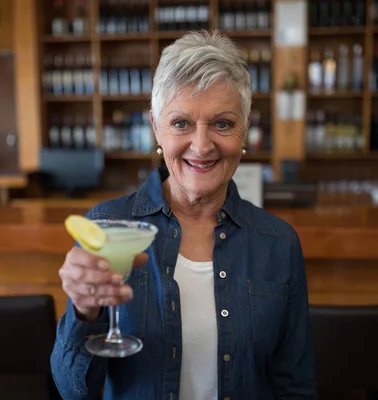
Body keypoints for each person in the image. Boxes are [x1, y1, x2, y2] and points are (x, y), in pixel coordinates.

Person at [51, 30, 317, 400]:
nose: (202, 145)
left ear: (246, 129)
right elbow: (74, 391)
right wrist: (84, 311)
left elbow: (296, 387)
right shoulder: (106, 226)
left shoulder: (279, 243)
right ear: (156, 127)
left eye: (222, 123)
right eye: (181, 123)